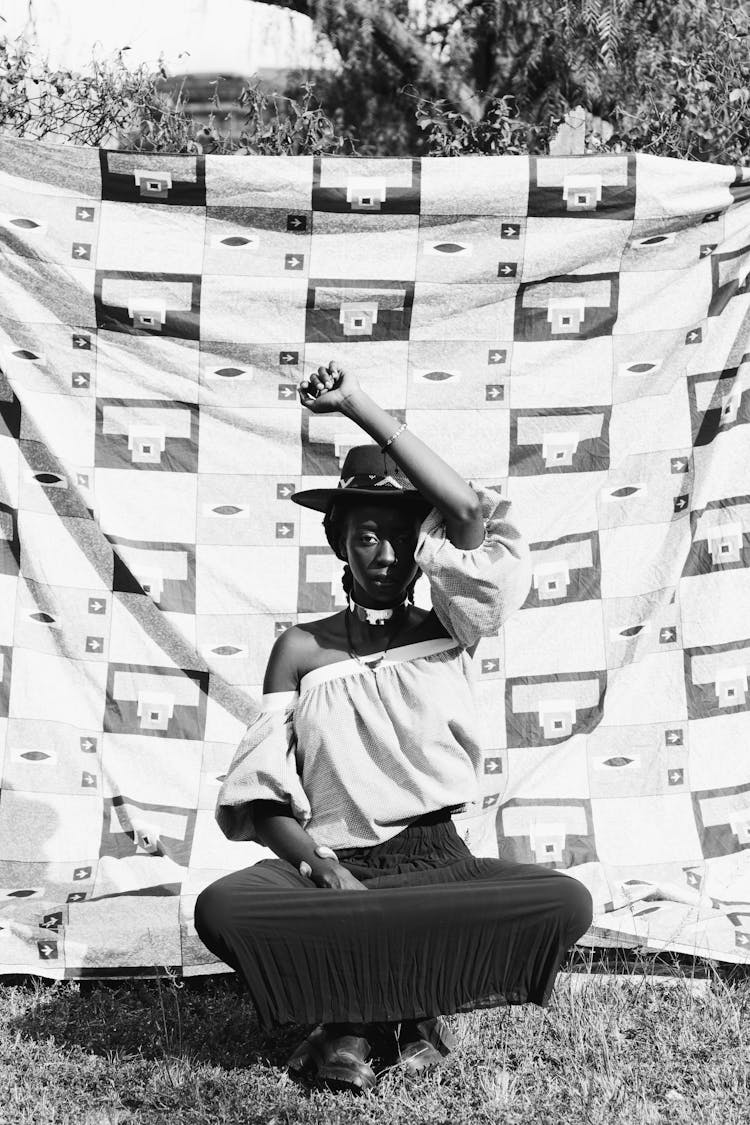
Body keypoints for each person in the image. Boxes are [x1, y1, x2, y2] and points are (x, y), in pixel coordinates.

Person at [194, 361, 593, 1093]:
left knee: (563, 901)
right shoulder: (301, 649)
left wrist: (357, 407)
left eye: (399, 537)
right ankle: (404, 1017)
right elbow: (261, 796)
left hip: (440, 862)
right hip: (342, 871)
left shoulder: (451, 624)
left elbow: (471, 512)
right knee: (223, 906)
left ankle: (356, 1023)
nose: (382, 555)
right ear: (339, 544)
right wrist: (318, 863)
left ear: (423, 546)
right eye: (365, 536)